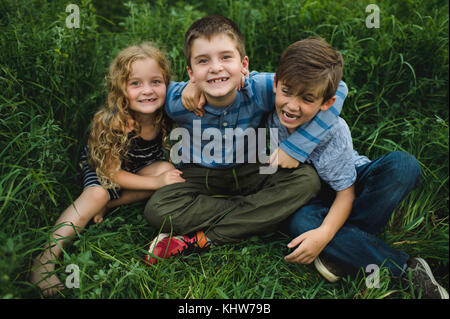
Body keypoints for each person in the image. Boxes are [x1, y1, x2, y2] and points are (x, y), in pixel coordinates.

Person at [142, 15, 347, 265]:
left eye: (226, 57)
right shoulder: (179, 100)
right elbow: (142, 96)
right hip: (198, 174)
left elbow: (340, 89)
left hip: (252, 168)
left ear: (244, 64)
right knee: (158, 210)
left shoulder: (261, 87)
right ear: (190, 72)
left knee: (307, 180)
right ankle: (264, 214)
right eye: (203, 61)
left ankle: (205, 236)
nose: (216, 67)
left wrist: (295, 148)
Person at [267, 37, 448, 299]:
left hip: (348, 183)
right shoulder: (267, 106)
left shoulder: (335, 130)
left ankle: (340, 250)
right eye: (287, 92)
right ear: (275, 84)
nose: (292, 105)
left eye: (307, 98)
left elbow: (346, 192)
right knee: (301, 222)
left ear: (326, 103)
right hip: (310, 198)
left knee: (403, 165)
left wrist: (325, 234)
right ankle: (404, 270)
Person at [30, 43, 185, 297]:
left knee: (167, 169)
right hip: (103, 169)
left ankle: (108, 207)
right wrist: (156, 183)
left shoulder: (164, 114)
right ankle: (45, 258)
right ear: (120, 89)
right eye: (136, 83)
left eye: (156, 81)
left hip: (137, 168)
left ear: (167, 83)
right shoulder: (112, 122)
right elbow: (111, 174)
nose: (147, 91)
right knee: (99, 194)